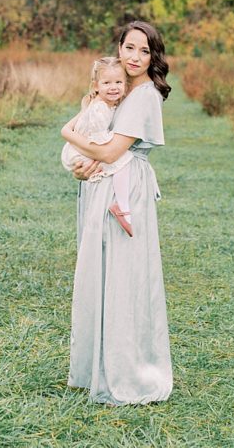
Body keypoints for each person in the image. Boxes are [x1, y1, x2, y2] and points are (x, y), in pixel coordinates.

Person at [60, 20, 173, 406]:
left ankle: (128, 372)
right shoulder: (117, 90)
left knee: (123, 276)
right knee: (101, 271)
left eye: (145, 51)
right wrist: (81, 164)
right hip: (104, 183)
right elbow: (100, 137)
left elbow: (110, 152)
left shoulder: (144, 95)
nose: (135, 57)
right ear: (119, 48)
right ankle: (99, 364)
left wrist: (69, 137)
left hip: (126, 186)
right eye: (129, 48)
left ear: (153, 56)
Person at [60, 56, 135, 236]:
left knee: (118, 161)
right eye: (107, 83)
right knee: (122, 159)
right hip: (79, 153)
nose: (113, 87)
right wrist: (117, 140)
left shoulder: (105, 104)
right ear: (96, 86)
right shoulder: (99, 108)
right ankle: (122, 206)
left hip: (80, 148)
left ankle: (118, 205)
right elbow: (100, 136)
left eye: (118, 82)